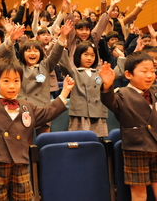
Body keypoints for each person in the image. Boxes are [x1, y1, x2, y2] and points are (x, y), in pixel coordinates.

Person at [0, 57, 75, 200]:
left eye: (16, 81)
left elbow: (48, 112)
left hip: (21, 162)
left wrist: (65, 91)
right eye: (6, 81)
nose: (12, 86)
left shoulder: (27, 105)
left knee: (24, 198)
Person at [100, 51, 157, 201]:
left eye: (152, 71)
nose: (150, 75)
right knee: (138, 192)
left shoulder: (155, 91)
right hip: (136, 147)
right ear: (128, 74)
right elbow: (110, 101)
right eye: (144, 71)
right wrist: (107, 85)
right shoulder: (122, 94)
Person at [59, 41, 126, 139]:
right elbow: (64, 64)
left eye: (92, 55)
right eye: (85, 54)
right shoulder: (74, 72)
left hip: (98, 113)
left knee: (98, 140)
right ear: (78, 56)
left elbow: (118, 72)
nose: (89, 58)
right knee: (80, 140)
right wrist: (63, 48)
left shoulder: (100, 73)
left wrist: (121, 57)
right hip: (80, 114)